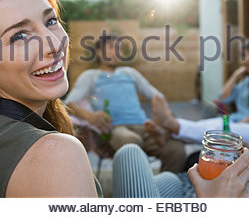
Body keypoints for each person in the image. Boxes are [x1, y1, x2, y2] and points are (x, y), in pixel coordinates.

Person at [0, 0, 249, 198]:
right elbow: (75, 105)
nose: (53, 44)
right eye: (20, 35)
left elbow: (155, 96)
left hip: (139, 131)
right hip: (118, 132)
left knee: (154, 172)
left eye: (50, 21)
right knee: (138, 158)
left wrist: (163, 119)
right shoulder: (56, 153)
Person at [65, 35, 186, 173]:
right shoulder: (90, 76)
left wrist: (166, 119)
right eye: (111, 47)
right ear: (99, 52)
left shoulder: (130, 73)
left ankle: (165, 189)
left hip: (144, 126)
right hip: (114, 129)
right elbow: (69, 103)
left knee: (176, 149)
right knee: (130, 141)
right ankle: (138, 189)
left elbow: (157, 96)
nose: (116, 52)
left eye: (118, 48)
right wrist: (91, 116)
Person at [145, 39, 249, 149]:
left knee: (217, 131)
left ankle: (171, 125)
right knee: (205, 125)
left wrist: (236, 126)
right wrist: (236, 75)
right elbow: (222, 98)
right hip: (240, 122)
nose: (248, 59)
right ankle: (167, 132)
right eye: (244, 55)